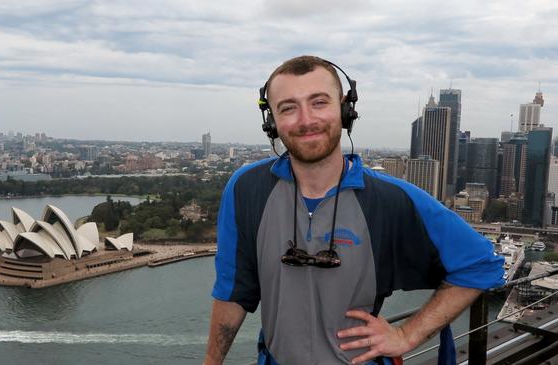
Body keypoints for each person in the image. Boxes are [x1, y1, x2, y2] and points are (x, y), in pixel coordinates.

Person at [204, 55, 504, 365]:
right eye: (288, 108)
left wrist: (406, 335)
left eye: (319, 102)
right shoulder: (246, 188)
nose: (306, 120)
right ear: (272, 121)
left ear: (345, 109)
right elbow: (231, 290)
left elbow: (483, 265)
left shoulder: (391, 198)